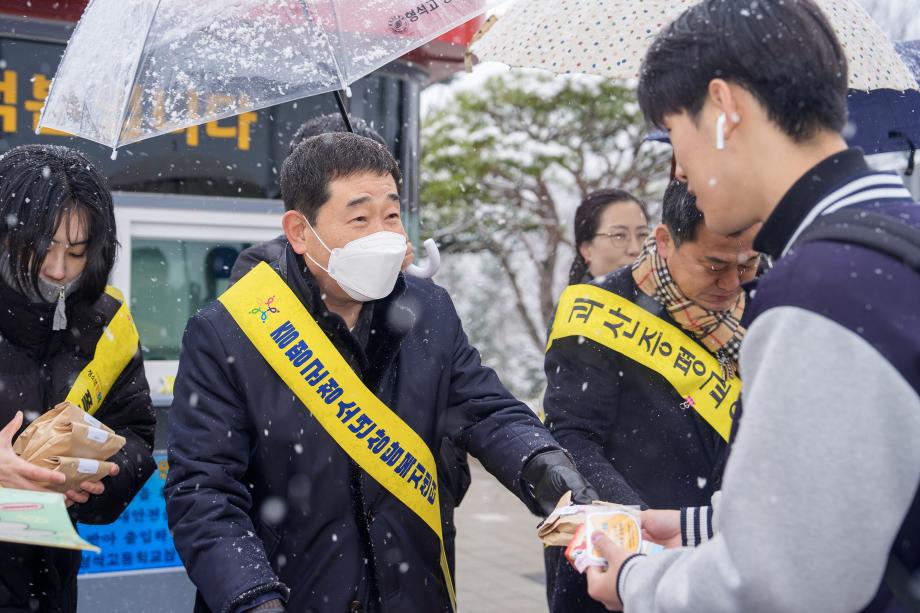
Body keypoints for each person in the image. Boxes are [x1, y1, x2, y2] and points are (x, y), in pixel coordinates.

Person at [165, 132, 597, 613]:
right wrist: (253, 598)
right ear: (300, 232)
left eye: (391, 215)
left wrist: (544, 466)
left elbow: (485, 409)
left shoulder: (426, 309)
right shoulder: (227, 333)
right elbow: (203, 494)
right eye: (359, 218)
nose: (384, 235)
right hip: (294, 595)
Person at [585, 1, 920, 611]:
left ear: (722, 109)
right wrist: (693, 530)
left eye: (675, 136)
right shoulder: (893, 240)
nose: (679, 171)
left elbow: (777, 588)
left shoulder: (820, 288)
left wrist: (635, 579)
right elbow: (849, 506)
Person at [544, 180, 759, 613]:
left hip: (724, 557)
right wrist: (637, 535)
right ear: (664, 240)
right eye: (715, 265)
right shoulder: (598, 309)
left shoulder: (765, 303)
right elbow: (573, 439)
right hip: (623, 559)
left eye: (749, 264)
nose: (733, 283)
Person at [0, 144, 156, 611]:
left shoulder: (106, 324)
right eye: (42, 247)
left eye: (77, 251)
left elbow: (135, 433)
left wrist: (96, 478)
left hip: (51, 586)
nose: (58, 269)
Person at [569, 189, 650, 284]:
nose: (635, 249)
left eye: (642, 234)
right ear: (586, 249)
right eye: (619, 235)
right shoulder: (577, 299)